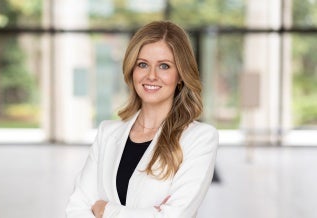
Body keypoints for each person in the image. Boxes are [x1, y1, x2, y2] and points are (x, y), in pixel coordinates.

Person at [66, 20, 218, 218]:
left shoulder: (199, 138)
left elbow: (174, 216)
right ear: (132, 69)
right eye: (143, 64)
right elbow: (76, 208)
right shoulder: (107, 133)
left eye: (164, 66)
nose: (151, 76)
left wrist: (107, 210)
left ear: (180, 75)